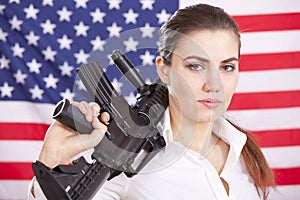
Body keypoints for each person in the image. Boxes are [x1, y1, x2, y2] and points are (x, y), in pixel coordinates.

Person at [28, 3, 276, 200]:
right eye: (196, 66)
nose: (214, 84)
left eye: (227, 67)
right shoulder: (127, 160)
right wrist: (52, 157)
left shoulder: (242, 151)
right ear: (164, 70)